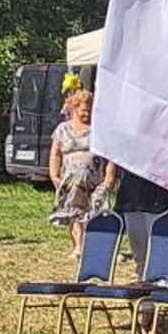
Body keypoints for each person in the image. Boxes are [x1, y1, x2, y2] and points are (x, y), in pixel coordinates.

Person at [47, 89, 116, 255]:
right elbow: (55, 154)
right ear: (75, 109)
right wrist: (54, 174)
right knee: (74, 211)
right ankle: (79, 246)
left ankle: (98, 248)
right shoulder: (63, 129)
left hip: (96, 179)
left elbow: (111, 154)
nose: (87, 113)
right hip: (71, 182)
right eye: (84, 110)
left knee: (97, 211)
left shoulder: (99, 129)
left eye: (90, 110)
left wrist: (110, 175)